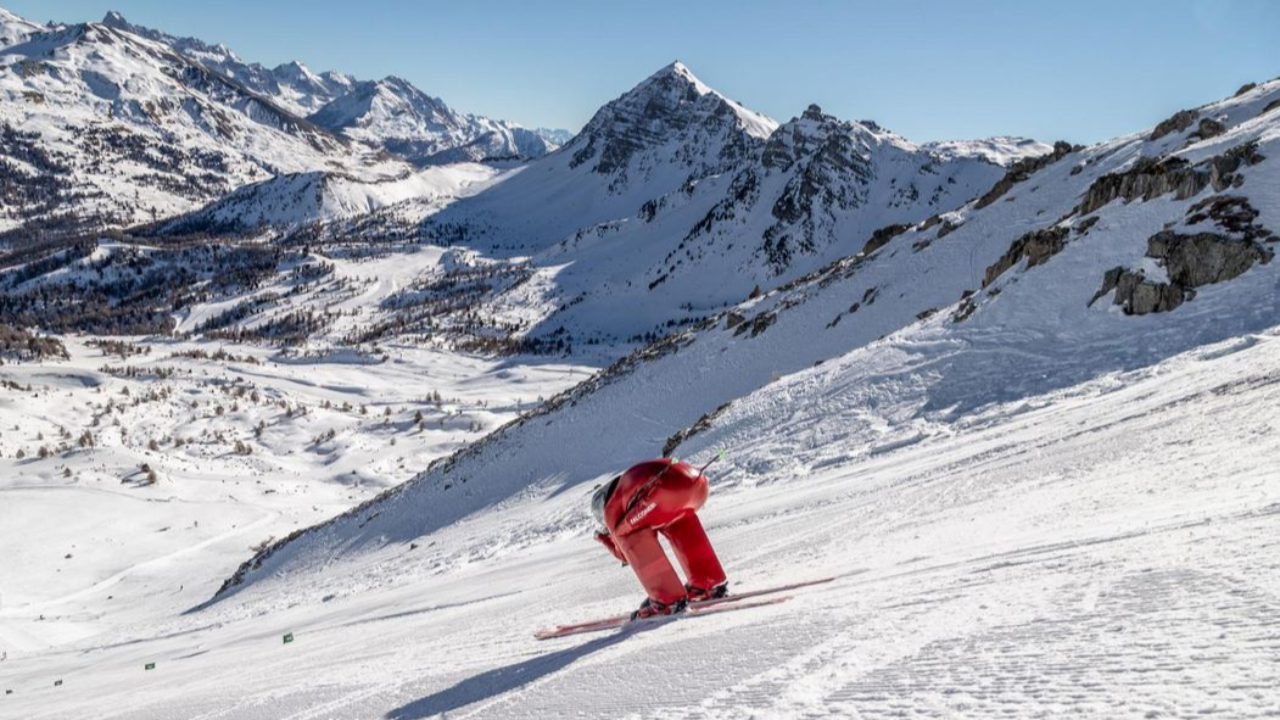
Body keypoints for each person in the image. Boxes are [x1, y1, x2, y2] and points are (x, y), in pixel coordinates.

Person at [591, 458, 729, 620]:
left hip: (662, 491)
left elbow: (625, 554)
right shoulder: (628, 488)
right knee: (677, 521)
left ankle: (666, 601)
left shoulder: (610, 507)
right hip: (697, 486)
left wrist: (602, 537)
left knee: (625, 533)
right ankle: (707, 583)